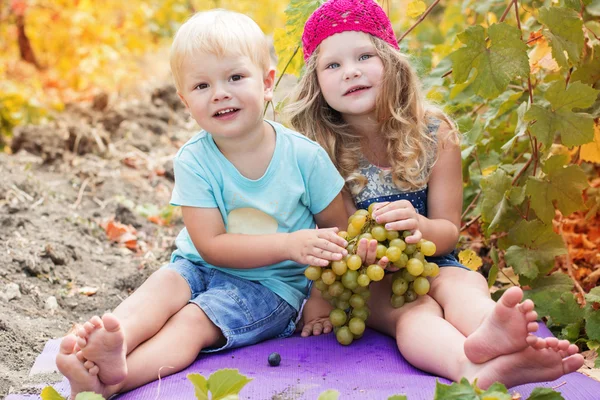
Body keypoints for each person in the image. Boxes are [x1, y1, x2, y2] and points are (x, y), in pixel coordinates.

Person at [286, 0, 584, 389]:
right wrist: (365, 255)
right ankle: (470, 368)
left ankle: (491, 330)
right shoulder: (318, 152)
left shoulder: (432, 132)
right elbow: (340, 236)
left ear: (392, 63)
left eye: (364, 56)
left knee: (464, 284)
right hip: (364, 279)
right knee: (414, 311)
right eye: (333, 65)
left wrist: (420, 226)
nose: (351, 71)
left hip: (429, 259)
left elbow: (447, 230)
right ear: (316, 84)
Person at [55, 9, 350, 399]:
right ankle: (113, 342)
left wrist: (321, 300)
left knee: (193, 321)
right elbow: (210, 244)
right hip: (199, 263)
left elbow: (341, 229)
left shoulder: (304, 157)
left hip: (270, 287)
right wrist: (288, 242)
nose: (219, 93)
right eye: (201, 86)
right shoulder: (194, 159)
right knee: (161, 285)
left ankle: (113, 382)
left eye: (235, 77)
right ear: (184, 100)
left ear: (266, 83)